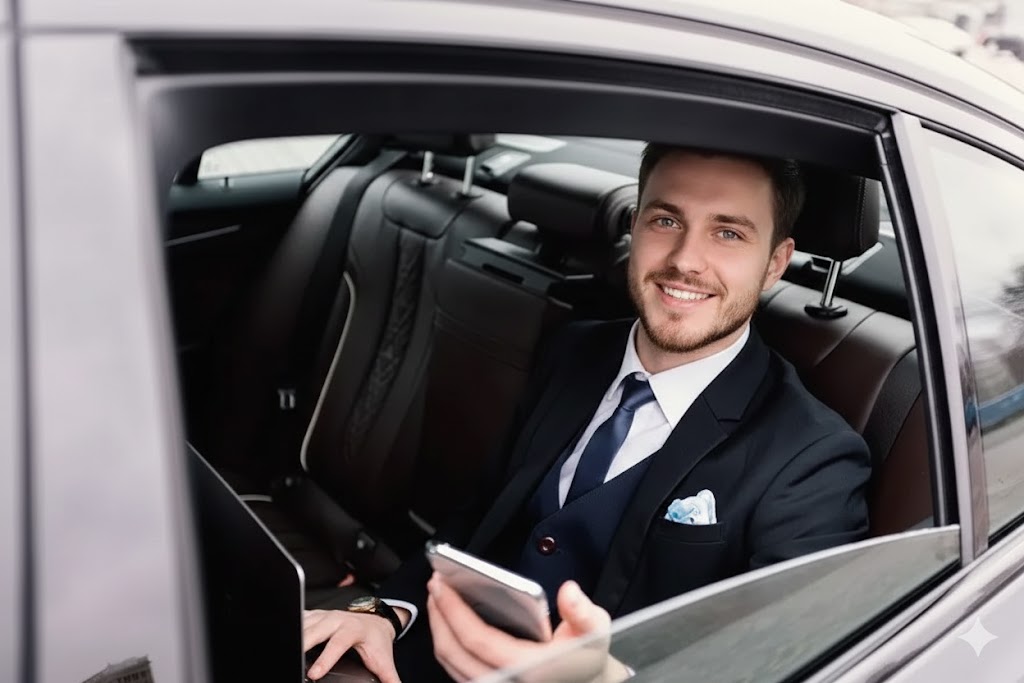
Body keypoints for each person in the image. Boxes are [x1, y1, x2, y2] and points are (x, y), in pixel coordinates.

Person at [301, 144, 872, 682]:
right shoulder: (575, 351)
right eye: (666, 221)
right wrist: (385, 610)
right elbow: (480, 518)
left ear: (775, 263)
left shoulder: (813, 459)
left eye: (728, 233)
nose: (684, 261)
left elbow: (788, 667)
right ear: (635, 225)